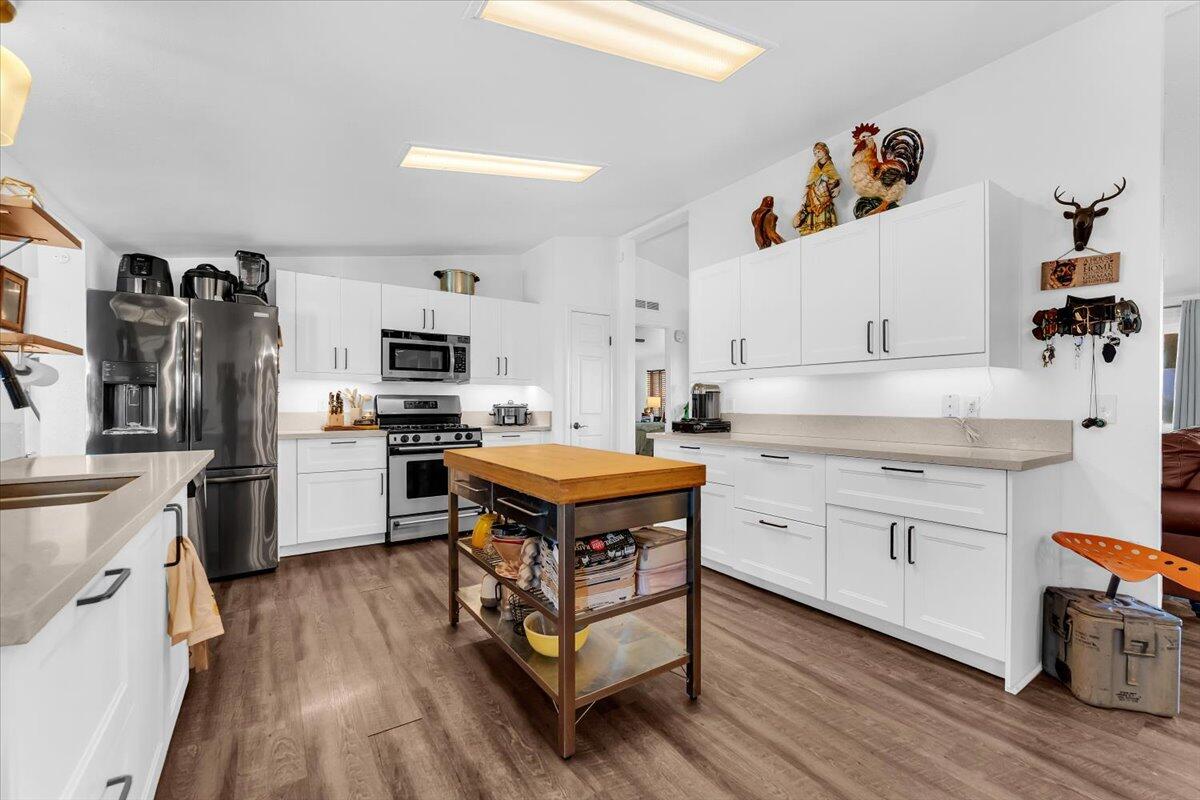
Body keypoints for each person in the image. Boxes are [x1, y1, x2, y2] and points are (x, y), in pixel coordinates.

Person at [793, 142, 842, 236]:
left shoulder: (830, 166)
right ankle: (814, 227)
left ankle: (824, 225)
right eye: (815, 153)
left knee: (824, 212)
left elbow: (837, 180)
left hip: (825, 197)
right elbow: (808, 185)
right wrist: (803, 201)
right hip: (813, 197)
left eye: (819, 151)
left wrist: (837, 188)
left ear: (825, 151)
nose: (817, 154)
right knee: (812, 212)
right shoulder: (814, 168)